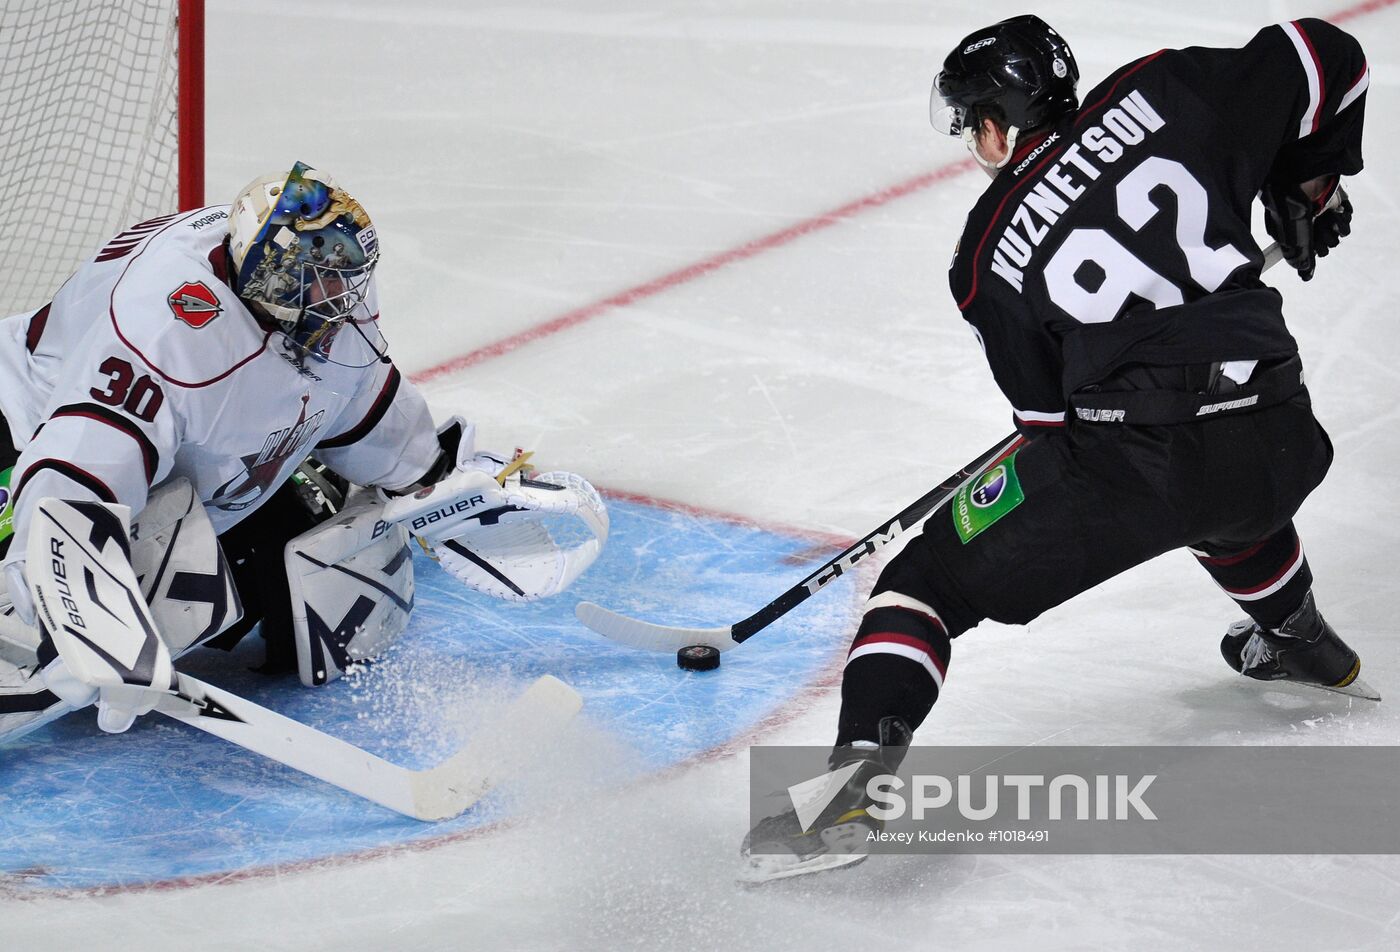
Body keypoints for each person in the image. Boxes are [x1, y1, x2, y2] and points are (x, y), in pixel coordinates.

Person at [741, 15, 1369, 882]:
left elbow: (1051, 426)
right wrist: (1306, 188)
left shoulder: (985, 254)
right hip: (1282, 427)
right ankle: (1300, 635)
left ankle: (850, 795)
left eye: (972, 122)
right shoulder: (1167, 87)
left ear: (997, 122)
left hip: (1147, 461)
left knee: (924, 585)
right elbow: (1325, 53)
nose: (972, 140)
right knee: (1226, 485)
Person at [0, 162, 606, 742]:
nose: (334, 297)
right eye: (313, 282)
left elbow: (356, 397)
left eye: (342, 275)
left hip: (167, 456)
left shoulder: (312, 289)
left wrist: (439, 478)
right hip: (26, 434)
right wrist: (78, 592)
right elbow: (76, 467)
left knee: (318, 562)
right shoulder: (162, 333)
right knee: (86, 624)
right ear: (262, 276)